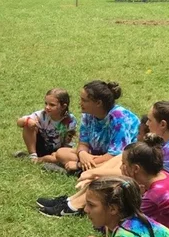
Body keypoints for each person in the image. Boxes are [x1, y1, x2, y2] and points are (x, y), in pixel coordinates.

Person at [37, 80, 140, 217]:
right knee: (62, 153)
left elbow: (116, 155)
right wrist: (83, 154)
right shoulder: (87, 115)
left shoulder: (118, 118)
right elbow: (83, 142)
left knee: (108, 168)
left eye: (84, 100)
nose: (80, 103)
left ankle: (78, 178)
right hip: (95, 156)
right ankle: (80, 173)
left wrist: (80, 162)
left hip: (117, 160)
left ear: (98, 103)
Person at [15, 88, 77, 163]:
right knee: (28, 125)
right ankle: (33, 155)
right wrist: (28, 121)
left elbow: (69, 142)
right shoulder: (42, 115)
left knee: (55, 159)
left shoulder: (69, 120)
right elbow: (19, 122)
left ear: (63, 107)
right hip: (41, 147)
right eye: (46, 103)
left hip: (58, 151)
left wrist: (62, 154)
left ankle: (40, 159)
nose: (47, 107)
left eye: (52, 105)